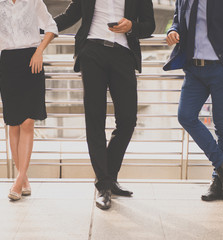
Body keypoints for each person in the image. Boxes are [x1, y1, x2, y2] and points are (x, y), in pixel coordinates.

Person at [54, 0, 155, 210]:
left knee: (128, 121)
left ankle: (107, 177)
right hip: (92, 52)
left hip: (123, 55)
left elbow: (150, 25)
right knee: (95, 119)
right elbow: (70, 16)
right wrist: (36, 26)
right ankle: (104, 185)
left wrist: (132, 26)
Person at [164, 0, 223, 201]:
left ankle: (219, 182)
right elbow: (178, 20)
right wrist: (173, 30)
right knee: (185, 116)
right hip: (194, 69)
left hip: (222, 69)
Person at [0, 0, 58, 201]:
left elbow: (51, 27)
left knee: (28, 122)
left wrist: (39, 50)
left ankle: (18, 179)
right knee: (13, 123)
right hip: (9, 62)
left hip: (32, 60)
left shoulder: (33, 1)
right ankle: (24, 179)